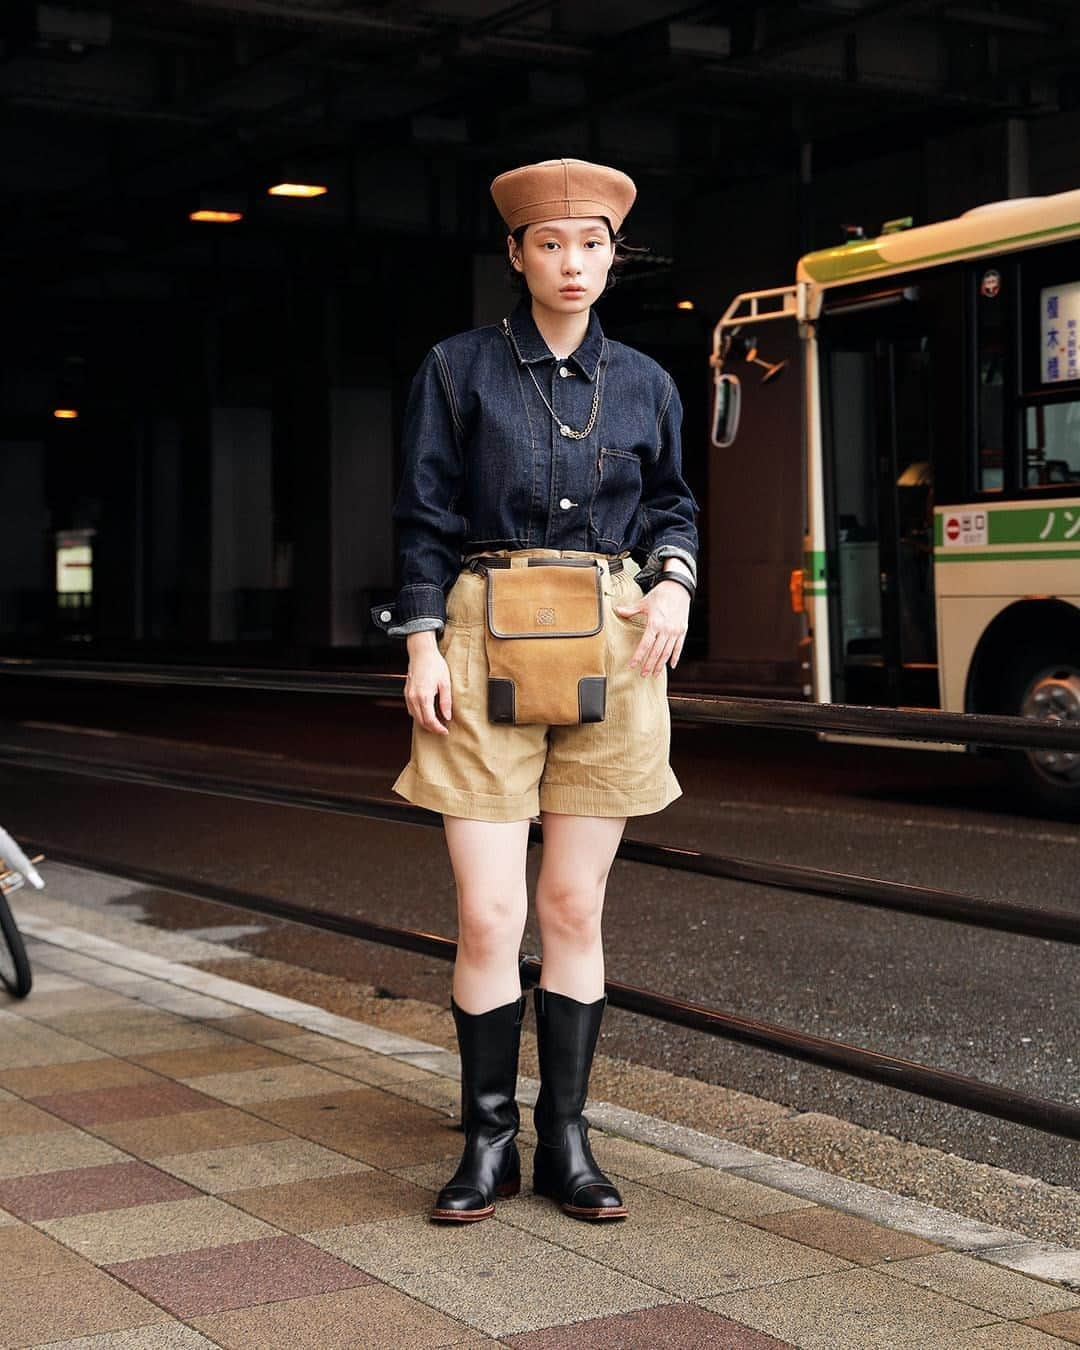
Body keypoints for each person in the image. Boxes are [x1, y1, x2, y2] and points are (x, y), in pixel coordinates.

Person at [370, 157, 700, 1224]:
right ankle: (486, 1142)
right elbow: (420, 520)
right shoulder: (456, 368)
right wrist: (420, 646)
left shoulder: (647, 380)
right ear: (516, 254)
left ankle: (567, 1142)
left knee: (570, 903)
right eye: (550, 245)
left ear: (614, 255)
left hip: (616, 637)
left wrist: (678, 586)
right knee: (488, 912)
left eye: (592, 245)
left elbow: (675, 507)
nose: (572, 263)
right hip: (477, 637)